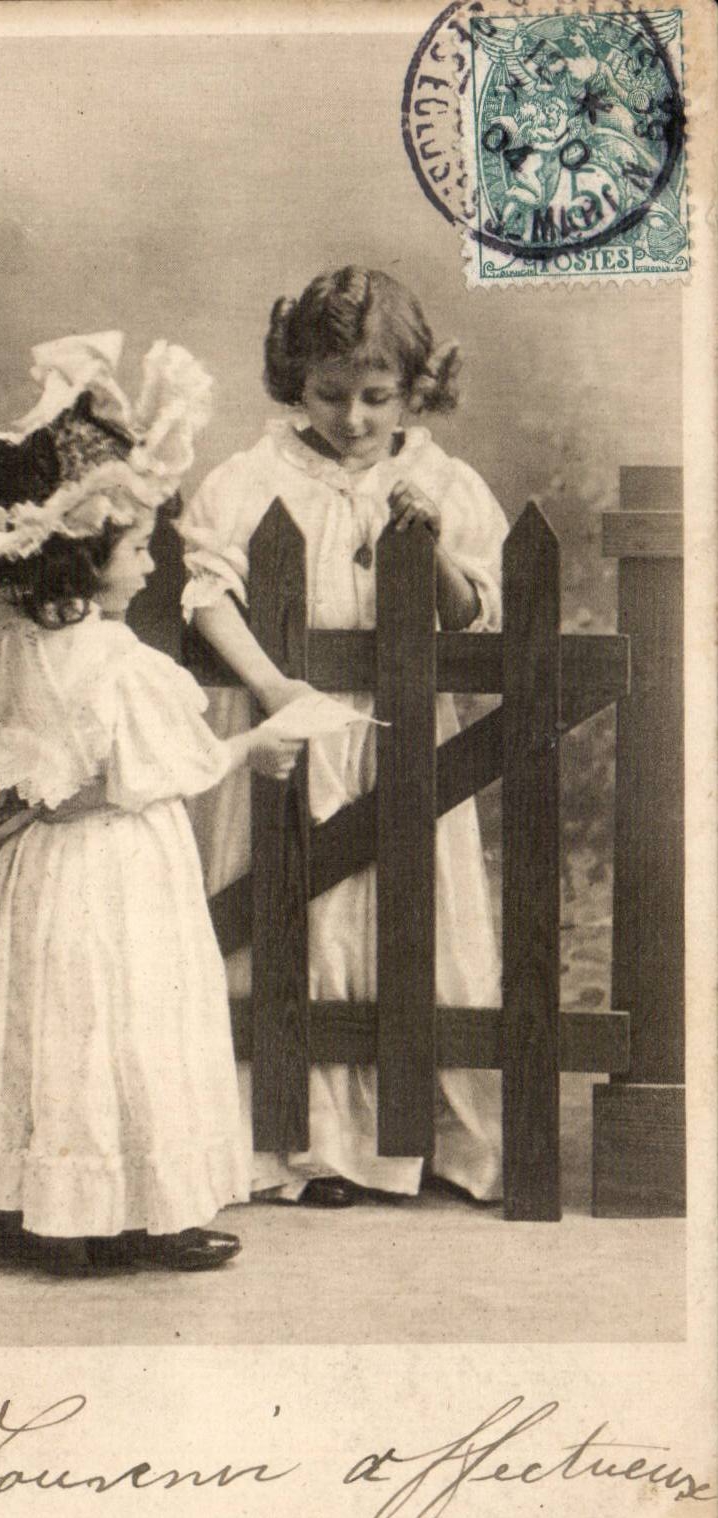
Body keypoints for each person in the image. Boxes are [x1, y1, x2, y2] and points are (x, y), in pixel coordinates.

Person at [0, 332, 302, 1273]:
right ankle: (147, 1211)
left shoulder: (1, 631)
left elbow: (32, 750)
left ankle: (58, 1210)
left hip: (31, 874)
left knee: (50, 1025)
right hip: (117, 874)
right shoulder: (120, 663)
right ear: (83, 561)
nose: (153, 565)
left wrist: (19, 795)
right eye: (136, 549)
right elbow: (154, 770)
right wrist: (255, 746)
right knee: (131, 1023)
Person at [179, 266, 506, 1208]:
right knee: (288, 918)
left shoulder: (443, 481)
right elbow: (208, 591)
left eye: (376, 396)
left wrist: (430, 550)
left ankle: (406, 1141)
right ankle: (298, 1146)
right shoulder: (251, 480)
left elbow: (472, 617)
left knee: (403, 915)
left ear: (413, 391)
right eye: (330, 395)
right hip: (285, 729)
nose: (354, 419)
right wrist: (274, 686)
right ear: (297, 382)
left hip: (403, 735)